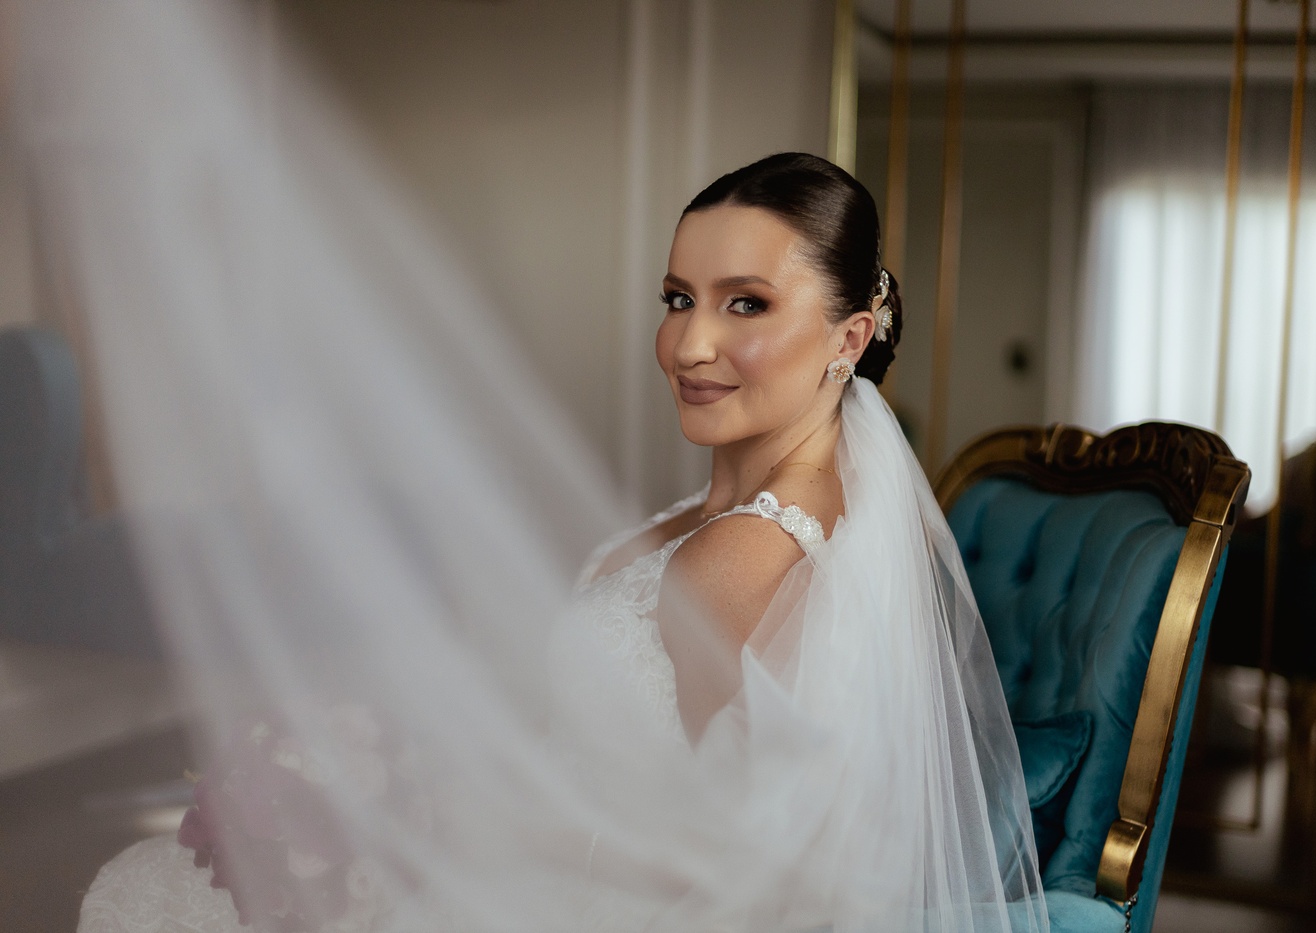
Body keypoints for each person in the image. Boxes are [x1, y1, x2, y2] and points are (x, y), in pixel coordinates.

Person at [9, 4, 1045, 930]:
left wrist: (423, 822)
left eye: (747, 304)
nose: (689, 345)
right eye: (677, 299)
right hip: (540, 866)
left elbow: (749, 875)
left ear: (851, 336)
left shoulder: (737, 561)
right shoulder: (754, 516)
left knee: (149, 897)